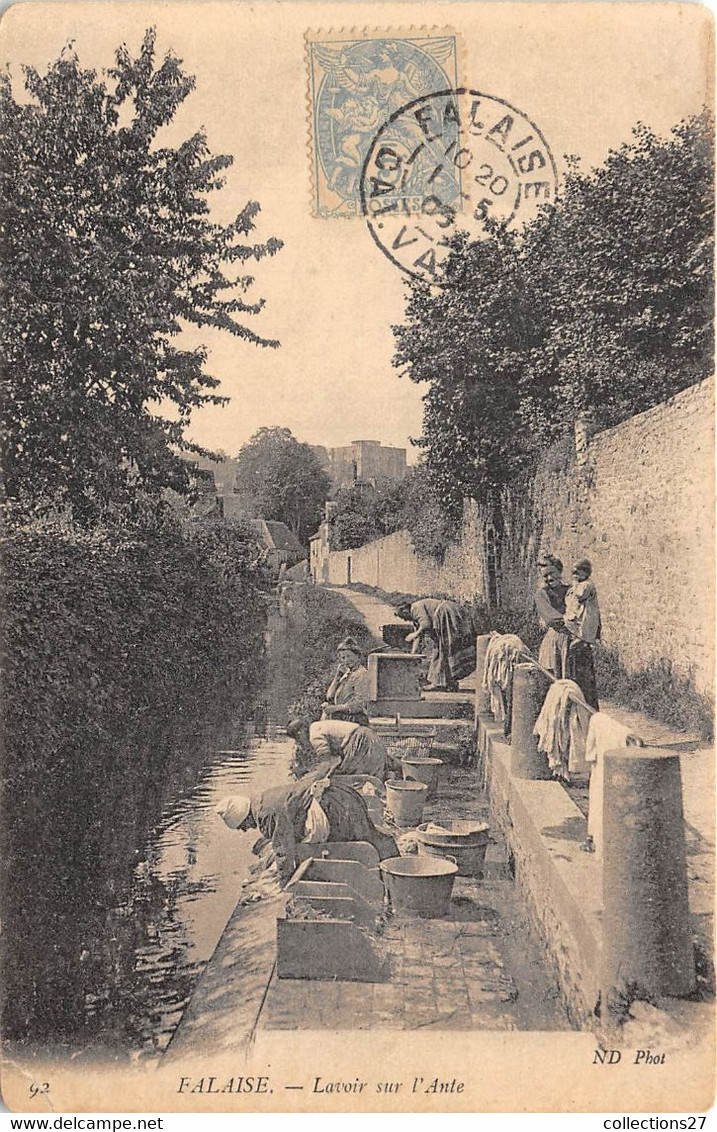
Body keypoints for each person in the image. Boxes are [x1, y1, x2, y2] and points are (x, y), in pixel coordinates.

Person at [215, 762, 397, 884]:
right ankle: (394, 868)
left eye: (242, 826)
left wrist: (284, 880)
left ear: (244, 817)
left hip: (334, 808)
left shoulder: (265, 813)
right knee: (372, 837)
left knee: (367, 842)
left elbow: (283, 846)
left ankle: (393, 876)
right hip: (339, 796)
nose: (245, 830)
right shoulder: (263, 800)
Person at [395, 597, 476, 692]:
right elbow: (418, 637)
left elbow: (425, 625)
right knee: (444, 650)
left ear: (405, 611)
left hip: (446, 613)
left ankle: (439, 683)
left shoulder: (415, 608)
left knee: (443, 650)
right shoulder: (415, 615)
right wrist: (412, 656)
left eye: (403, 617)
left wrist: (414, 634)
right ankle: (448, 682)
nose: (405, 620)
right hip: (447, 614)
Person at [286, 715, 396, 779]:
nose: (299, 743)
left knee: (351, 776)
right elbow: (333, 761)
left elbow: (326, 763)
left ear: (300, 733)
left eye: (297, 739)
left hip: (362, 742)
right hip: (367, 737)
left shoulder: (314, 734)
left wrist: (311, 778)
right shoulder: (316, 726)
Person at [562, 557, 601, 710]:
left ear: (586, 572)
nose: (575, 575)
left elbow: (579, 595)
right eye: (574, 572)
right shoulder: (578, 585)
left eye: (578, 572)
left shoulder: (587, 586)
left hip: (584, 632)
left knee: (579, 663)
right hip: (578, 630)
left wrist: (573, 585)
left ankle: (585, 704)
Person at [534, 555, 570, 678]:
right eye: (545, 576)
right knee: (555, 677)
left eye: (551, 573)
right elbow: (551, 618)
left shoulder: (571, 590)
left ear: (559, 571)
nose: (549, 578)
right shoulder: (541, 594)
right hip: (555, 638)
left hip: (574, 639)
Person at [322, 637, 370, 723]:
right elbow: (329, 696)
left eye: (349, 656)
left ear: (358, 656)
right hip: (341, 717)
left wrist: (335, 708)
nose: (346, 660)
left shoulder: (361, 674)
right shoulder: (346, 673)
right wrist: (337, 677)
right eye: (343, 658)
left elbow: (359, 704)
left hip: (354, 719)